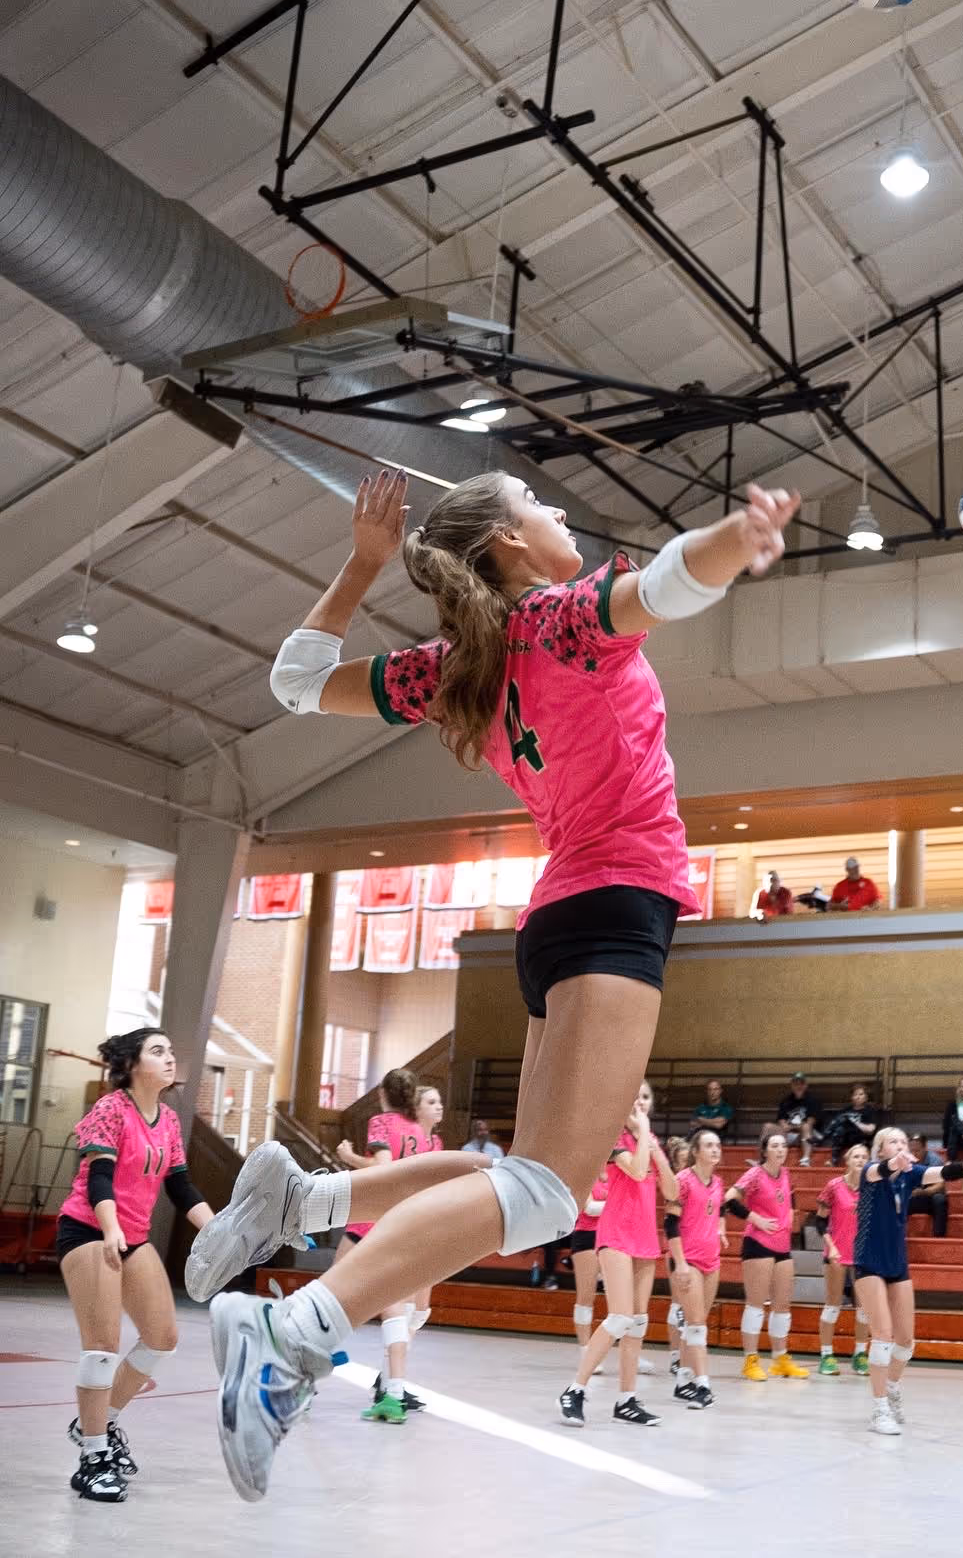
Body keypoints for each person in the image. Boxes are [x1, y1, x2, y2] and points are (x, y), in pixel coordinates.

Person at [187, 467, 798, 1500]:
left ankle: (306, 1194)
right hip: (614, 903)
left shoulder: (456, 664)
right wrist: (739, 537)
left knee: (515, 1178)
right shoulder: (560, 618)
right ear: (512, 544)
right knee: (545, 1192)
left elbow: (297, 682)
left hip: (561, 913)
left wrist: (360, 567)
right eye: (543, 505)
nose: (563, 515)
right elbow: (665, 582)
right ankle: (292, 1330)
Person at [57, 1027, 215, 1502]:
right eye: (158, 1051)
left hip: (133, 1235)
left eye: (171, 1051)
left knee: (162, 1338)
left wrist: (222, 1233)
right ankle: (92, 1457)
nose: (170, 1059)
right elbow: (98, 1178)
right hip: (90, 1230)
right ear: (131, 1064)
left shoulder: (168, 1119)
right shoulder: (110, 1108)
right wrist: (109, 1230)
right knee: (102, 1345)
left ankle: (100, 1422)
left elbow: (181, 1188)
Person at [559, 1081, 677, 1428]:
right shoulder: (612, 1141)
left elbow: (671, 1191)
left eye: (645, 1097)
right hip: (615, 1234)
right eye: (633, 1096)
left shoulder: (648, 1143)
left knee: (638, 1323)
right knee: (620, 1317)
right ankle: (574, 1390)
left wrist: (655, 1148)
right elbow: (637, 1171)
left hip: (644, 1237)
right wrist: (645, 1138)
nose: (639, 1102)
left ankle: (626, 1400)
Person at [854, 1127, 963, 1435]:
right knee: (882, 1334)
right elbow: (883, 1169)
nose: (900, 1145)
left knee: (906, 1343)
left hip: (897, 1263)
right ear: (880, 1149)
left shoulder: (912, 1175)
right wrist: (897, 1162)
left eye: (903, 1141)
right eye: (892, 1142)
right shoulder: (871, 1172)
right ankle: (879, 1408)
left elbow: (949, 1171)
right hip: (868, 1262)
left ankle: (893, 1387)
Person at [332, 1069, 444, 1424]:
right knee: (395, 1308)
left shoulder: (383, 1123)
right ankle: (392, 1389)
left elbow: (384, 1168)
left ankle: (307, 1372)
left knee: (333, 1296)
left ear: (383, 1093)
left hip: (372, 1220)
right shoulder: (420, 1136)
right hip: (406, 1224)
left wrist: (349, 1159)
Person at [724, 1130, 807, 1381]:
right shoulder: (755, 1174)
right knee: (756, 1305)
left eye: (784, 1146)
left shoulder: (785, 1173)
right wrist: (755, 1218)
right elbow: (729, 1199)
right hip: (758, 1243)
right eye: (775, 1146)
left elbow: (787, 1201)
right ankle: (750, 1360)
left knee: (782, 1305)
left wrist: (790, 1216)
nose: (781, 1150)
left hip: (782, 1245)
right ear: (764, 1150)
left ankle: (780, 1359)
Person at [665, 1130, 727, 1409]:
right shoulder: (683, 1181)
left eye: (717, 1145)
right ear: (696, 1151)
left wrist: (720, 1233)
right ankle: (703, 1385)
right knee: (697, 1325)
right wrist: (679, 1263)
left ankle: (683, 1381)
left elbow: (717, 1213)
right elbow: (670, 1225)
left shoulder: (719, 1183)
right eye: (709, 1145)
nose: (715, 1150)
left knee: (696, 1322)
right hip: (687, 1260)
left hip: (711, 1260)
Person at [813, 1143, 869, 1377]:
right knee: (833, 1305)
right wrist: (831, 1246)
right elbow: (819, 1222)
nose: (861, 1160)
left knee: (864, 1309)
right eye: (856, 1156)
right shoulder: (834, 1186)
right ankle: (826, 1355)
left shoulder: (873, 1187)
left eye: (865, 1157)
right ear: (847, 1160)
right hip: (836, 1254)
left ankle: (860, 1355)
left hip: (863, 1255)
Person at [569, 1171, 608, 1364]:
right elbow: (590, 1208)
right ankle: (586, 1350)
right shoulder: (585, 1174)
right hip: (587, 1236)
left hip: (612, 1236)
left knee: (622, 1301)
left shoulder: (616, 1172)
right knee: (586, 1298)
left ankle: (631, 1353)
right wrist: (618, 1203)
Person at [773, 1072, 823, 1167]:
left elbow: (810, 1123)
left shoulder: (813, 1101)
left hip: (810, 1134)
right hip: (791, 1135)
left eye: (801, 1084)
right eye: (796, 1084)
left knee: (805, 1127)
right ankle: (762, 1160)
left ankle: (805, 1159)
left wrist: (791, 1127)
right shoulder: (785, 1101)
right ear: (791, 1085)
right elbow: (782, 1123)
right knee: (768, 1127)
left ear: (805, 1085)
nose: (798, 1086)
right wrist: (789, 1127)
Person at [905, 1133, 950, 1238]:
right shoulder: (906, 1160)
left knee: (940, 1200)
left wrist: (924, 1192)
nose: (914, 1154)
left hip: (930, 1197)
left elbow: (940, 1185)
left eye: (917, 1150)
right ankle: (898, 1237)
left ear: (925, 1148)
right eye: (911, 1150)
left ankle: (939, 1238)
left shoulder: (935, 1160)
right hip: (913, 1197)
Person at [827, 1082, 880, 1165]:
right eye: (855, 1095)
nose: (858, 1097)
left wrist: (855, 1121)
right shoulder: (845, 1110)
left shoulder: (870, 1111)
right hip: (847, 1138)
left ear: (866, 1097)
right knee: (838, 1129)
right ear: (852, 1097)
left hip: (862, 1140)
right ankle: (834, 1159)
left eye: (861, 1094)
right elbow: (836, 1124)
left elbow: (871, 1130)